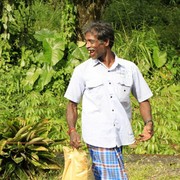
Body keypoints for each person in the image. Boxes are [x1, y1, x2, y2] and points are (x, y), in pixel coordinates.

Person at [64, 21, 154, 180]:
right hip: (98, 137)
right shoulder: (82, 71)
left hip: (119, 137)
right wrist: (72, 130)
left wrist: (148, 123)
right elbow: (72, 104)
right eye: (86, 41)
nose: (87, 45)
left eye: (91, 41)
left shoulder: (129, 68)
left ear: (105, 42)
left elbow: (143, 99)